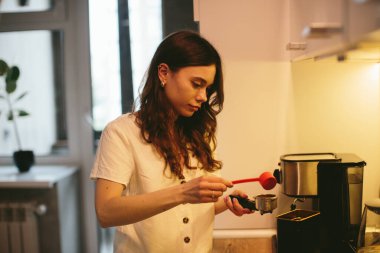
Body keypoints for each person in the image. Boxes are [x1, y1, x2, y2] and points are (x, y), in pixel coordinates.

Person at [90, 30, 253, 253]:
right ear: (164, 73)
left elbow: (190, 211)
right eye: (196, 84)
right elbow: (106, 212)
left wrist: (226, 203)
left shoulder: (200, 134)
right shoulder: (121, 133)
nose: (203, 97)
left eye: (208, 88)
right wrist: (184, 192)